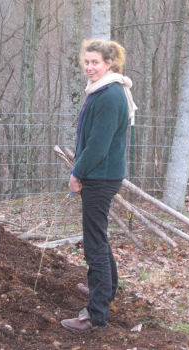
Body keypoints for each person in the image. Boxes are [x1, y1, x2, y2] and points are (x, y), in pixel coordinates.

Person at [61, 38, 137, 331]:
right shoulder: (103, 91)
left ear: (109, 64)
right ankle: (105, 290)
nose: (89, 67)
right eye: (87, 61)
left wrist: (76, 173)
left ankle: (96, 316)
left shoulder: (109, 95)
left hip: (100, 176)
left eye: (96, 62)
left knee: (94, 244)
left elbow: (98, 146)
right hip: (103, 174)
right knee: (99, 237)